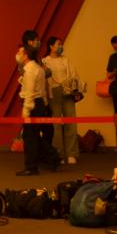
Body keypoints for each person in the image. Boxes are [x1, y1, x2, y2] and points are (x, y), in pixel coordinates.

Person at [16, 44, 53, 176]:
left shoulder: (30, 70)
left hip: (33, 104)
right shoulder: (37, 68)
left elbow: (29, 92)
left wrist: (26, 110)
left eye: (20, 53)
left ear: (26, 55)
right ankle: (53, 157)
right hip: (39, 103)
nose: (18, 55)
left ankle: (31, 167)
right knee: (34, 135)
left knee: (29, 137)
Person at [43, 36, 81, 165]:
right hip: (53, 93)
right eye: (58, 44)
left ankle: (71, 153)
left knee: (71, 122)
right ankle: (58, 153)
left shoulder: (66, 60)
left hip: (67, 92)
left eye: (61, 44)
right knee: (56, 125)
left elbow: (74, 75)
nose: (61, 46)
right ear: (51, 46)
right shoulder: (44, 61)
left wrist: (74, 89)